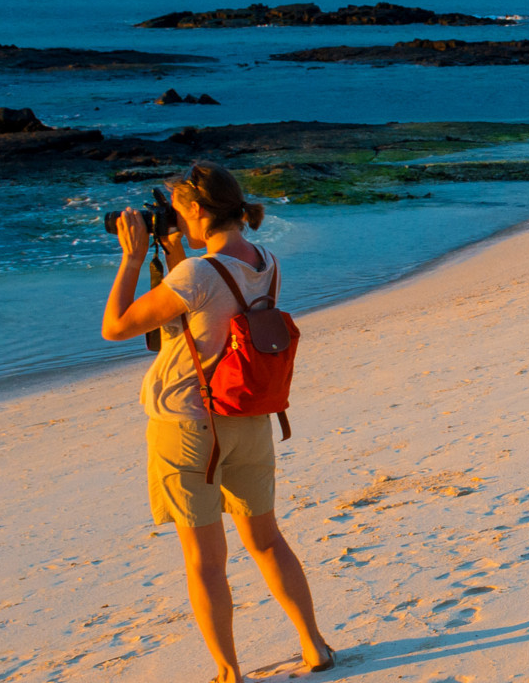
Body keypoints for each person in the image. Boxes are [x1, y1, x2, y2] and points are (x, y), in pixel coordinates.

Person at [101, 163, 333, 683]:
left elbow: (115, 327)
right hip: (248, 418)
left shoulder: (196, 275)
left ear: (200, 211)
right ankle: (314, 644)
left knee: (206, 561)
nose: (177, 222)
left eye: (181, 213)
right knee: (267, 540)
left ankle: (229, 672)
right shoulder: (265, 261)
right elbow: (204, 304)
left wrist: (134, 258)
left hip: (188, 427)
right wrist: (175, 252)